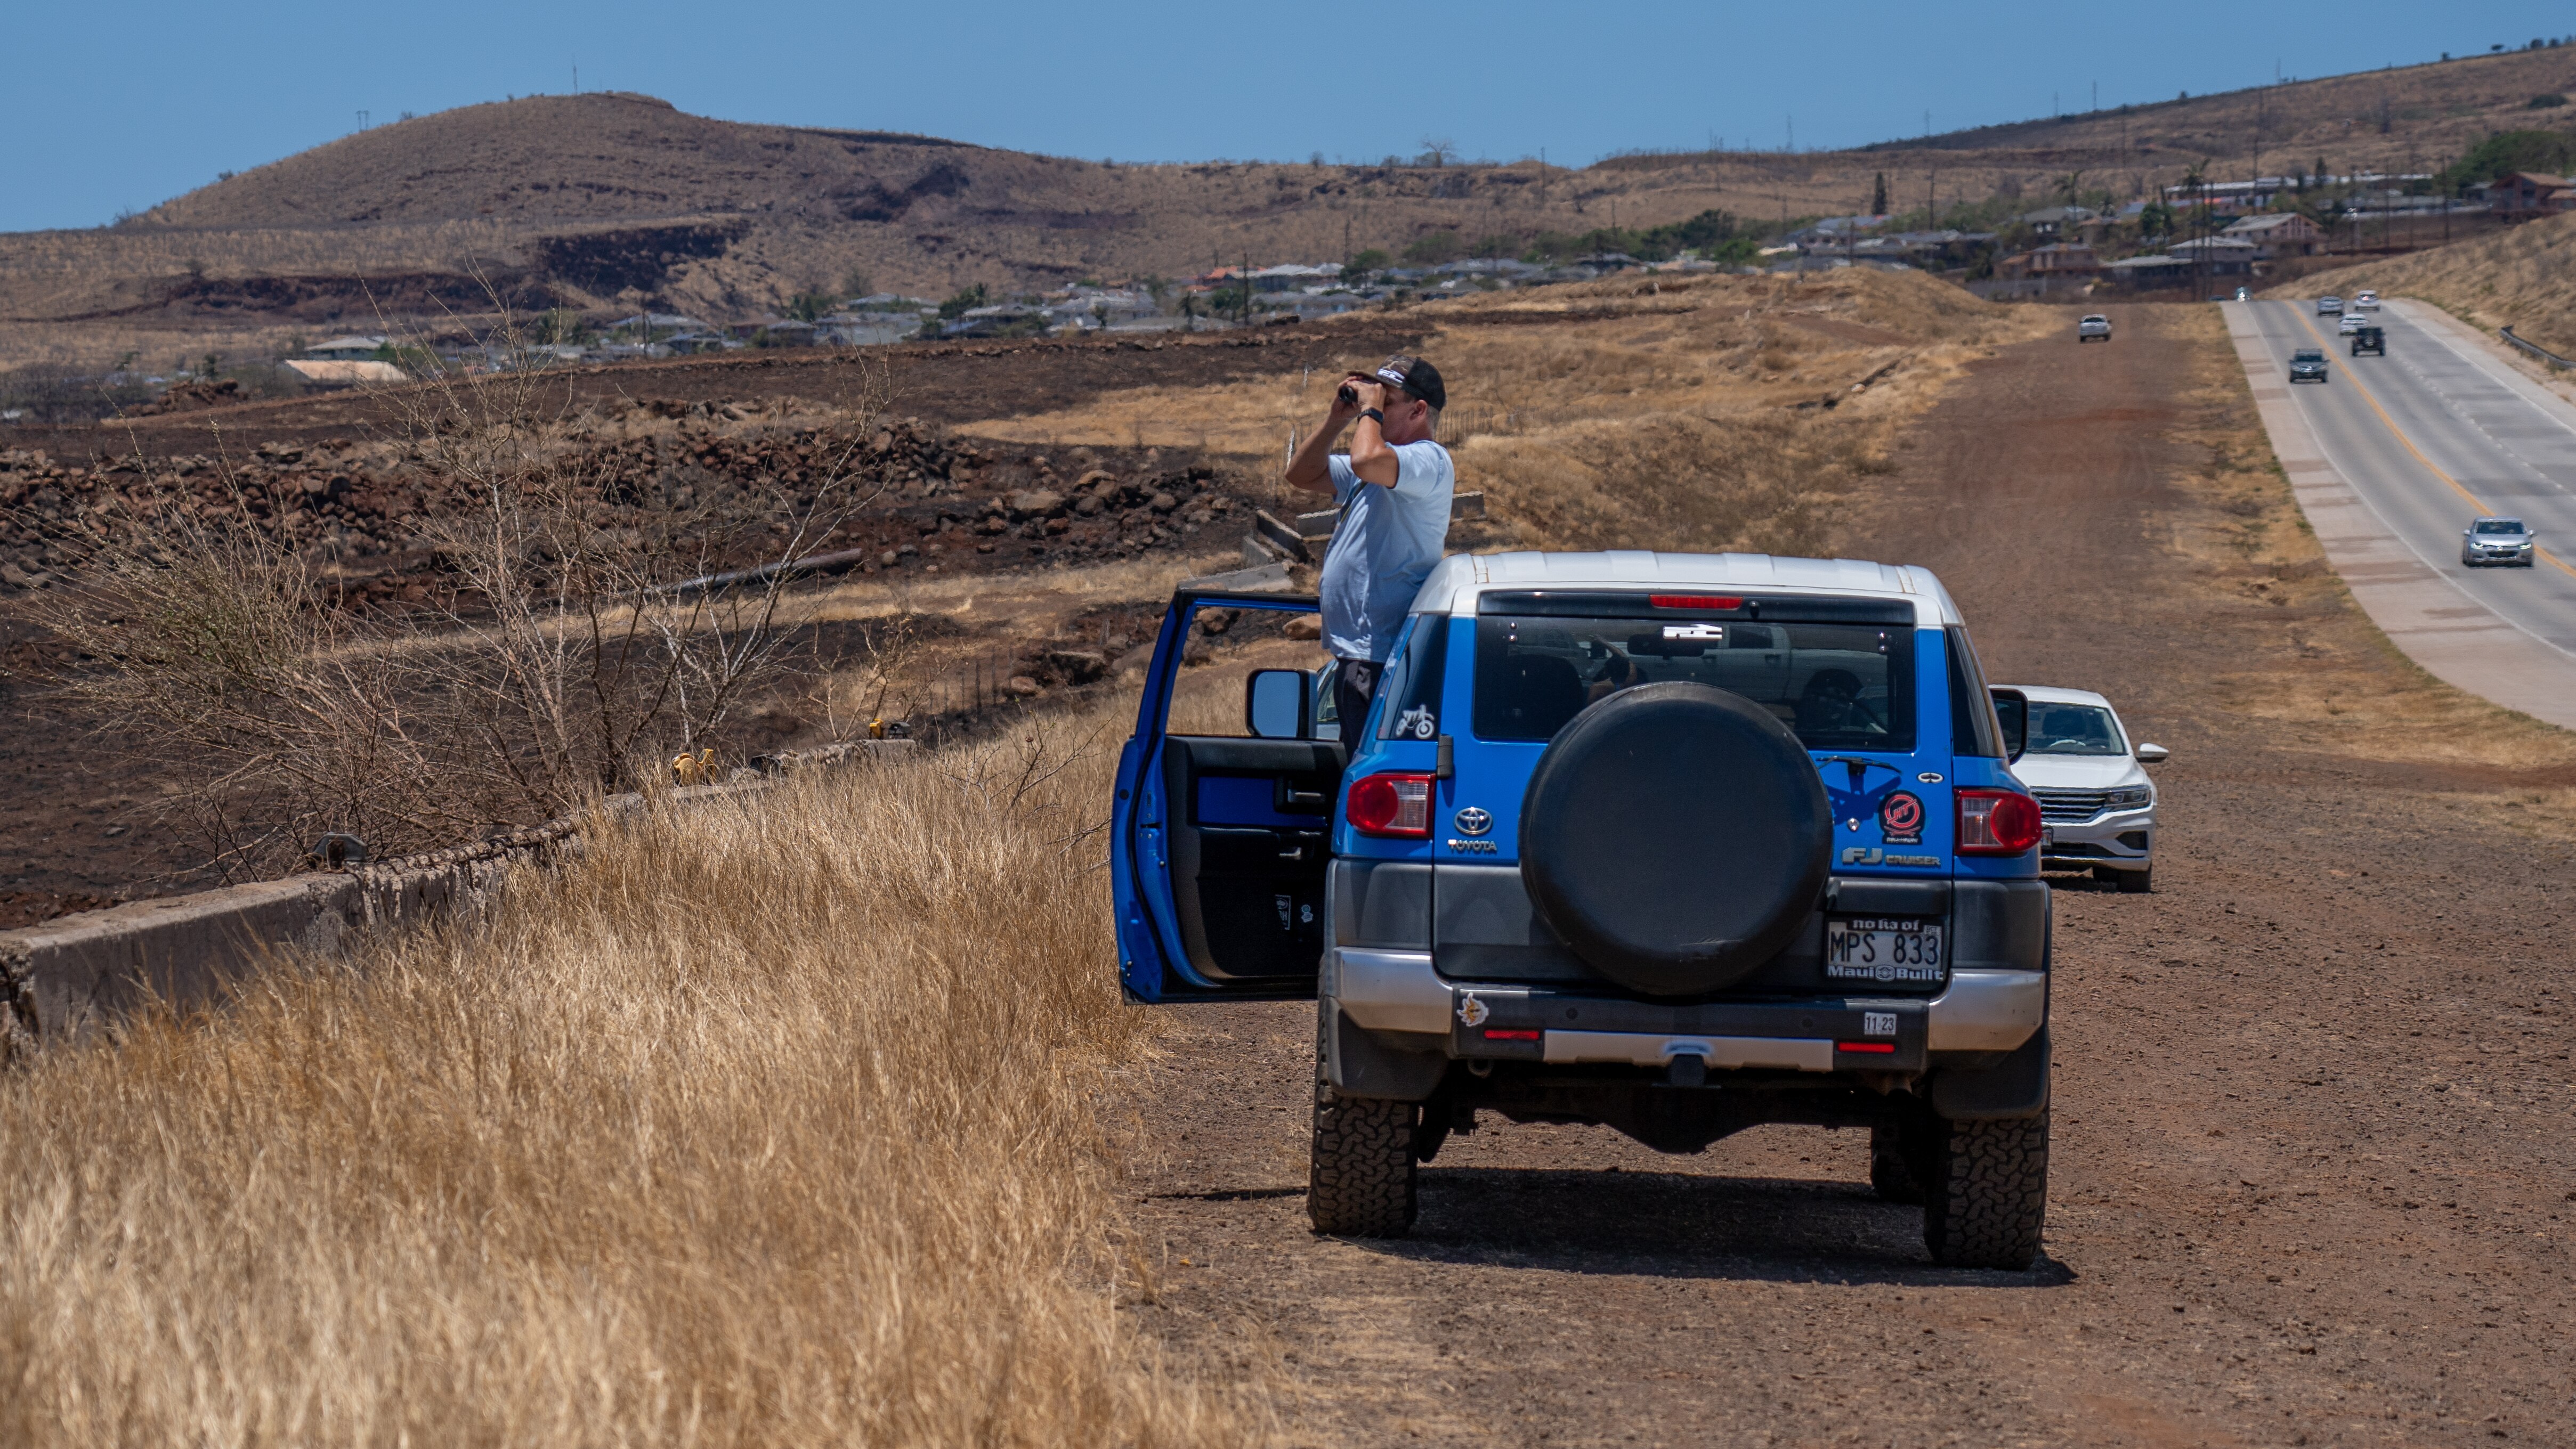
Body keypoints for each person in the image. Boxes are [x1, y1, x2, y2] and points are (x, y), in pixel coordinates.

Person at [1283, 355, 1454, 738]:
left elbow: (1365, 459)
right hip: (1360, 654)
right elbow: (1301, 474)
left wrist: (1368, 414)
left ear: (1419, 410)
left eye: (1386, 401)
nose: (1372, 408)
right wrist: (1336, 420)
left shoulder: (1429, 460)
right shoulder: (1380, 465)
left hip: (1384, 655)